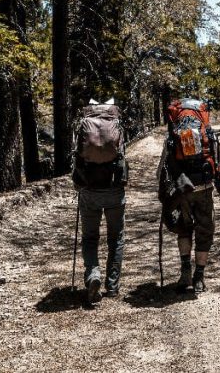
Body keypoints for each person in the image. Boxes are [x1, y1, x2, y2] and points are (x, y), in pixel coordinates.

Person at [157, 98, 220, 293]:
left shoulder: (173, 135)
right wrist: (218, 184)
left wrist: (163, 191)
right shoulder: (208, 132)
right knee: (204, 232)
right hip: (203, 189)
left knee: (184, 230)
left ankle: (185, 270)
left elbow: (162, 168)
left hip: (181, 190)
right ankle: (199, 277)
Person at [72, 99, 128, 303]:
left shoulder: (83, 124)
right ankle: (112, 286)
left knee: (89, 238)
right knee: (116, 238)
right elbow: (123, 157)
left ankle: (93, 274)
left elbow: (76, 157)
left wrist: (78, 183)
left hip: (89, 190)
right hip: (114, 189)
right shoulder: (117, 125)